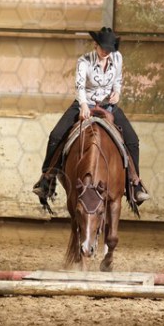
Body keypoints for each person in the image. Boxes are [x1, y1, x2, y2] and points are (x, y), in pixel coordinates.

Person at [33, 27, 149, 203]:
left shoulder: (117, 58)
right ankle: (47, 179)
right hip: (85, 102)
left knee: (133, 140)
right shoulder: (84, 61)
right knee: (56, 135)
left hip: (108, 105)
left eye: (109, 49)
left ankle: (135, 184)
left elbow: (118, 80)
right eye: (103, 48)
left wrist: (117, 93)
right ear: (96, 45)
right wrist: (83, 105)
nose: (106, 52)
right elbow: (80, 86)